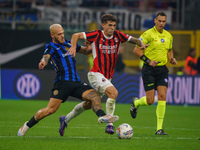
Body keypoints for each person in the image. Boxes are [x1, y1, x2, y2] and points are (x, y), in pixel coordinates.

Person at [17, 24, 119, 137]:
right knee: (50, 110)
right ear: (52, 35)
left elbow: (85, 51)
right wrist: (43, 62)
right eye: (59, 34)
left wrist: (89, 47)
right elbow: (46, 56)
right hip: (62, 84)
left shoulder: (68, 43)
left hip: (76, 83)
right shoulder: (51, 46)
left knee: (95, 96)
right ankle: (26, 126)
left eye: (62, 33)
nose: (62, 36)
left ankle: (102, 116)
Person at [64, 14, 148, 135]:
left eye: (114, 25)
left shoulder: (118, 35)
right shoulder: (96, 34)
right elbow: (75, 35)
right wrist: (73, 47)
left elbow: (133, 40)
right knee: (113, 93)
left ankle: (65, 119)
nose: (112, 28)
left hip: (107, 77)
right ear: (103, 25)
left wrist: (140, 44)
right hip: (95, 74)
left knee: (89, 104)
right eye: (109, 25)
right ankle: (110, 125)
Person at [130, 12, 178, 135]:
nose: (162, 23)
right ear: (155, 21)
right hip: (149, 69)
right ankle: (136, 103)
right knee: (150, 101)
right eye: (160, 21)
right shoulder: (147, 34)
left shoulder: (169, 36)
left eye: (164, 21)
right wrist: (148, 61)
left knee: (162, 96)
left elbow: (170, 49)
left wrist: (171, 58)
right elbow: (136, 50)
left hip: (162, 70)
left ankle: (159, 129)